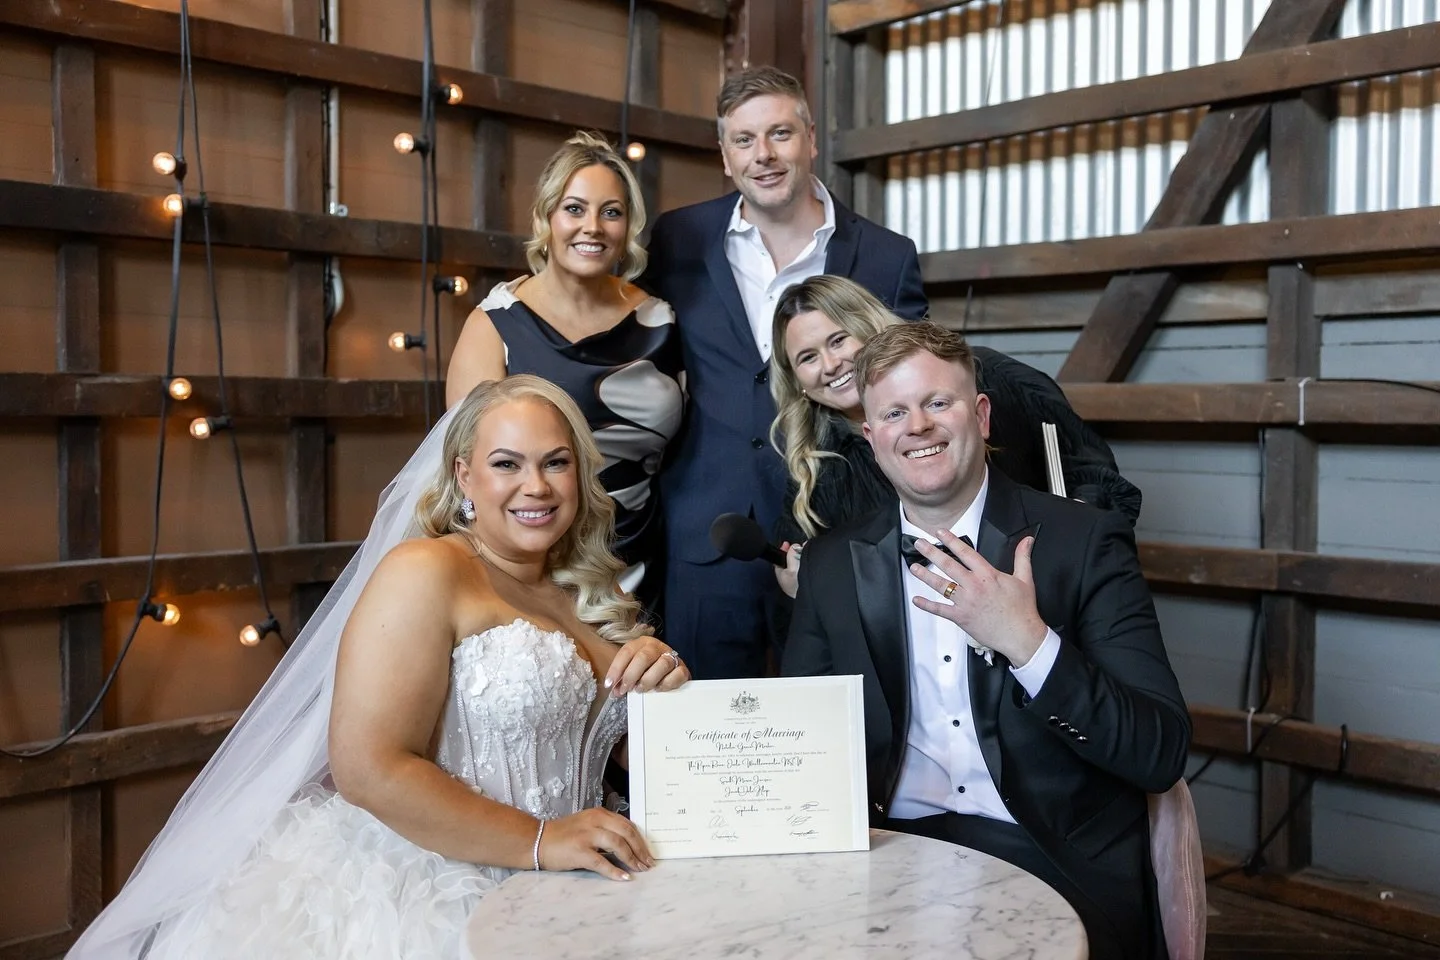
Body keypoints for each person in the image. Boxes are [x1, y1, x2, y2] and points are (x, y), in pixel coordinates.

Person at [70, 375, 690, 959]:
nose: (538, 486)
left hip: (575, 880)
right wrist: (538, 840)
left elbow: (618, 755)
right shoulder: (426, 571)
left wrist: (661, 683)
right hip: (437, 883)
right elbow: (368, 766)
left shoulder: (582, 595)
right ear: (464, 476)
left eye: (556, 462)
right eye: (507, 464)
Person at [782, 322, 1190, 960]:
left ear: (982, 415)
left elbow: (1158, 753)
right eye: (894, 412)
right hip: (887, 851)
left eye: (937, 403)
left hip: (1053, 857)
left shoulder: (1085, 542)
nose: (917, 426)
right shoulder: (832, 563)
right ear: (872, 437)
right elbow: (797, 744)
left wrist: (1028, 643)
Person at [641, 66, 925, 679]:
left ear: (811, 139)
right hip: (709, 535)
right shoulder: (678, 239)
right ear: (724, 153)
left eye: (780, 134)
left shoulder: (885, 255)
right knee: (706, 737)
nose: (763, 156)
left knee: (842, 733)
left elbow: (912, 388)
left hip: (840, 534)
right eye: (744, 140)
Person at [768, 274, 1141, 598]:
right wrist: (800, 585)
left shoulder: (984, 375)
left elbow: (1092, 471)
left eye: (837, 341)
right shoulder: (814, 471)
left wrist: (1069, 542)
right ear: (796, 380)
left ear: (868, 327)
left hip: (1046, 602)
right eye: (808, 358)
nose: (831, 365)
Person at [448, 132, 684, 618]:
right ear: (545, 219)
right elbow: (471, 475)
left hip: (646, 561)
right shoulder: (495, 326)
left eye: (611, 212)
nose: (592, 227)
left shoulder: (663, 323)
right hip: (535, 570)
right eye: (574, 209)